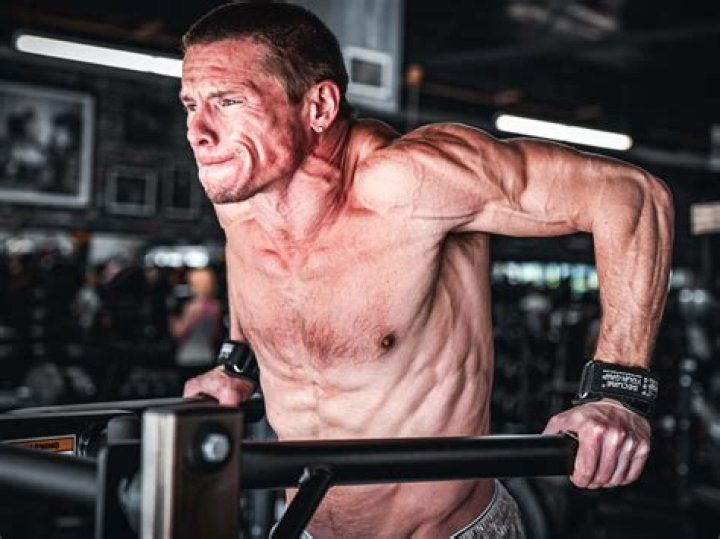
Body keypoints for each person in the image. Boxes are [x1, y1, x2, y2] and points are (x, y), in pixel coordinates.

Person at [181, 4, 674, 538]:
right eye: (190, 104)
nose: (198, 130)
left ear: (319, 106)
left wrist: (617, 393)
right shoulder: (244, 199)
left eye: (229, 102)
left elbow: (631, 197)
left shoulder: (409, 183)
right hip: (306, 527)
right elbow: (262, 273)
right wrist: (235, 363)